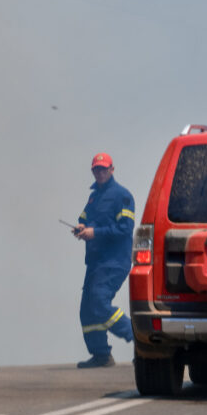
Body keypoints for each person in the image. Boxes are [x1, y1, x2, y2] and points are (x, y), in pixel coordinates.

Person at [72, 153, 136, 368]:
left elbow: (125, 228)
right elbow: (84, 217)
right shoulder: (94, 197)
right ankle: (101, 355)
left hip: (114, 261)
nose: (100, 172)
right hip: (95, 262)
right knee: (87, 309)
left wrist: (95, 233)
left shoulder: (122, 196)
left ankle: (140, 340)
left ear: (112, 169)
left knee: (99, 302)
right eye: (96, 169)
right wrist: (81, 227)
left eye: (103, 169)